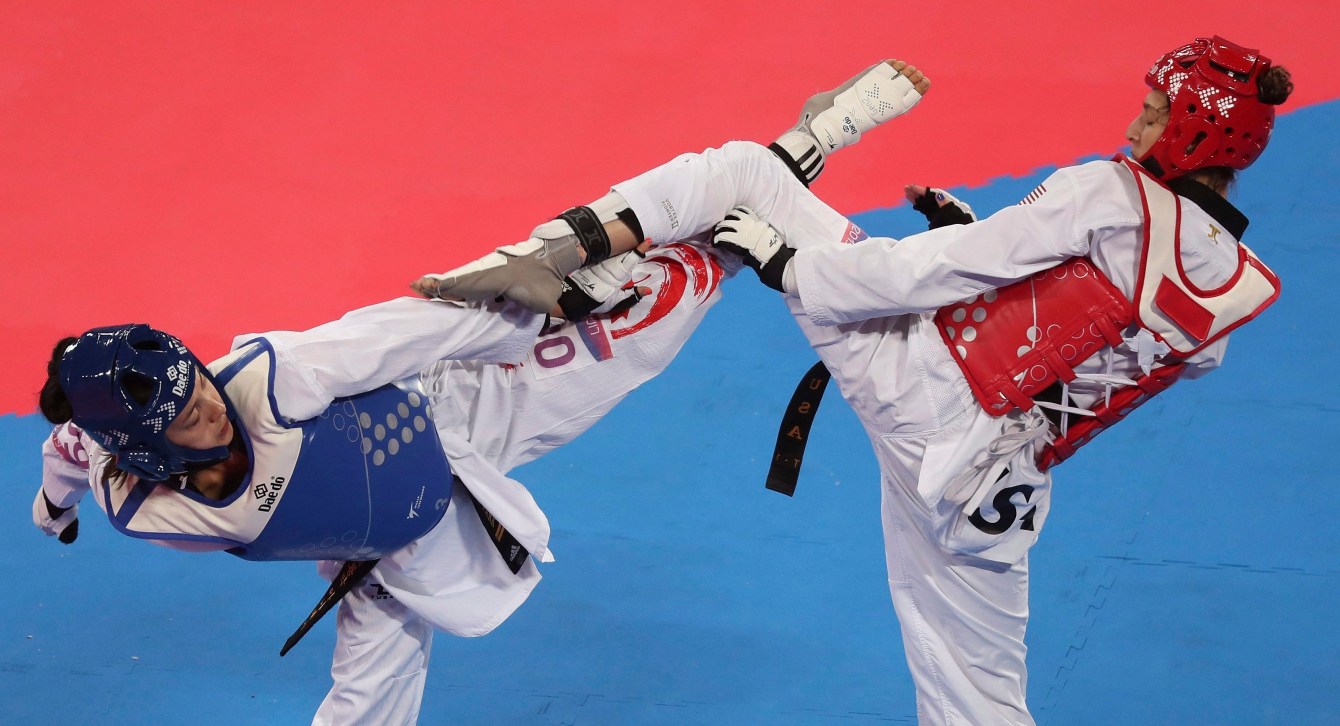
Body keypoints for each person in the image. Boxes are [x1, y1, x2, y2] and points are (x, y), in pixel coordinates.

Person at [421, 37, 1293, 725]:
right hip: (998, 488)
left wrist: (791, 267)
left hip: (917, 379)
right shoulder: (1243, 291)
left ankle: (565, 255)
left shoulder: (1107, 192)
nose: (1137, 126)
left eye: (1152, 112)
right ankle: (770, 171)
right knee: (980, 702)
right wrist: (981, 236)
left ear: (1193, 129)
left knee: (746, 179)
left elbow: (925, 278)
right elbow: (1079, 333)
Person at [32, 60, 933, 724]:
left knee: (661, 293)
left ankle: (812, 174)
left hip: (463, 403)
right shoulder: (133, 492)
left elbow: (420, 324)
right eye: (181, 414)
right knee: (369, 689)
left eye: (195, 384)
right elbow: (66, 455)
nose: (206, 405)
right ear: (138, 449)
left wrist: (547, 298)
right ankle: (788, 160)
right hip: (381, 542)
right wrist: (50, 511)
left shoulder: (280, 377)